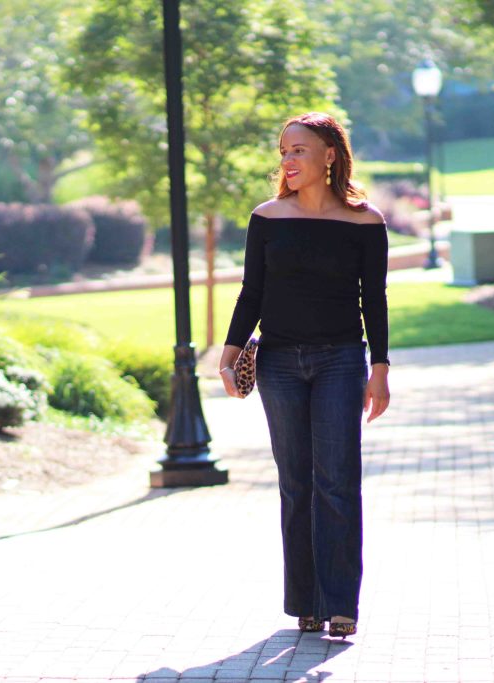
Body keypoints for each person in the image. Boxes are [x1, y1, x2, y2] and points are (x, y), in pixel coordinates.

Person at [219, 112, 390, 639]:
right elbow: (252, 292)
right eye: (284, 152)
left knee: (337, 481)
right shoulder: (266, 218)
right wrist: (227, 357)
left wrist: (379, 369)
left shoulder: (365, 223)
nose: (289, 161)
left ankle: (341, 604)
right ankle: (305, 603)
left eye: (299, 151)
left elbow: (374, 301)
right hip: (278, 363)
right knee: (296, 484)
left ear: (330, 155)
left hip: (340, 359)